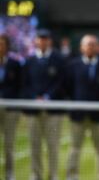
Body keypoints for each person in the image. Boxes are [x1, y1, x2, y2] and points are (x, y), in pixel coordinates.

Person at [22, 28, 66, 180]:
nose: (42, 41)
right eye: (40, 38)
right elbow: (25, 83)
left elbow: (61, 82)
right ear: (36, 41)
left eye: (45, 38)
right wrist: (35, 98)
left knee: (52, 146)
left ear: (50, 41)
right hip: (34, 111)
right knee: (35, 146)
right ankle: (36, 175)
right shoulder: (29, 61)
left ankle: (53, 175)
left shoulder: (59, 59)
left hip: (53, 110)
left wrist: (47, 97)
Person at [66, 34, 99, 180]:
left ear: (98, 47)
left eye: (93, 44)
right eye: (87, 44)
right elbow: (68, 87)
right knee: (74, 148)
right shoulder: (73, 65)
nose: (90, 47)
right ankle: (72, 176)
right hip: (78, 116)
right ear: (81, 47)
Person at [0, 34, 22, 180]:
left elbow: (20, 86)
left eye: (2, 44)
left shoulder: (15, 64)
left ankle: (9, 174)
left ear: (7, 46)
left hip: (10, 109)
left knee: (9, 144)